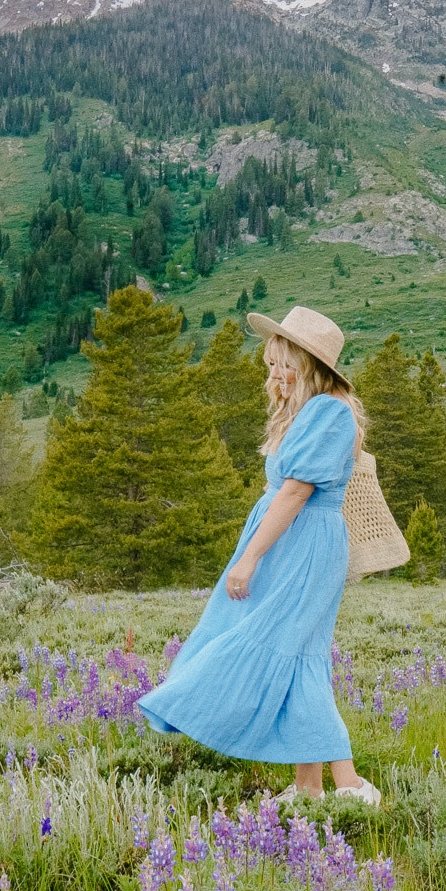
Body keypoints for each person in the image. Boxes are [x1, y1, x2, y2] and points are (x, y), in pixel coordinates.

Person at [136, 304, 381, 803]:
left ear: (309, 365)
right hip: (289, 543)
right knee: (297, 655)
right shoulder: (313, 412)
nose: (274, 374)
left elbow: (294, 493)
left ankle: (350, 784)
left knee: (293, 653)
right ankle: (310, 786)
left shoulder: (329, 412)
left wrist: (248, 558)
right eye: (270, 364)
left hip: (303, 546)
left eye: (282, 363)